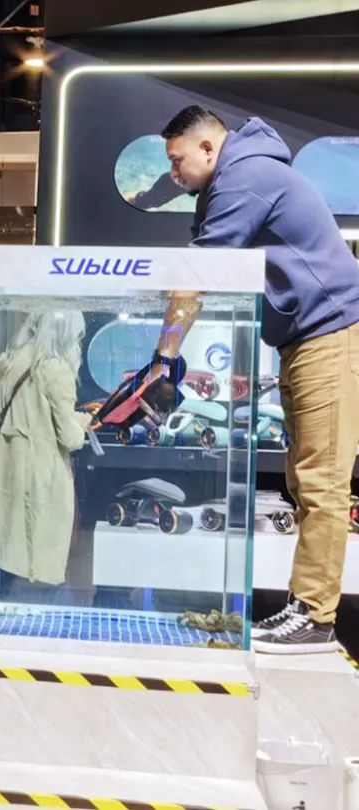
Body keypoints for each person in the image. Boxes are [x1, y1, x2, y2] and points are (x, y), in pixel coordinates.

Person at [159, 105, 359, 653]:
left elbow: (197, 275)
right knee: (304, 478)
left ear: (207, 147)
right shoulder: (231, 180)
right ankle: (305, 605)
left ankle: (316, 618)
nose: (173, 174)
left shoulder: (245, 177)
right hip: (305, 337)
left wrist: (163, 360)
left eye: (177, 160)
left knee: (322, 482)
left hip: (331, 331)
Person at [0, 311, 91, 592]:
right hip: (39, 476)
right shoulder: (55, 368)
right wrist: (82, 424)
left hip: (3, 468)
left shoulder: (7, 361)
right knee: (32, 563)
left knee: (6, 553)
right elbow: (70, 437)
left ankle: (2, 608)